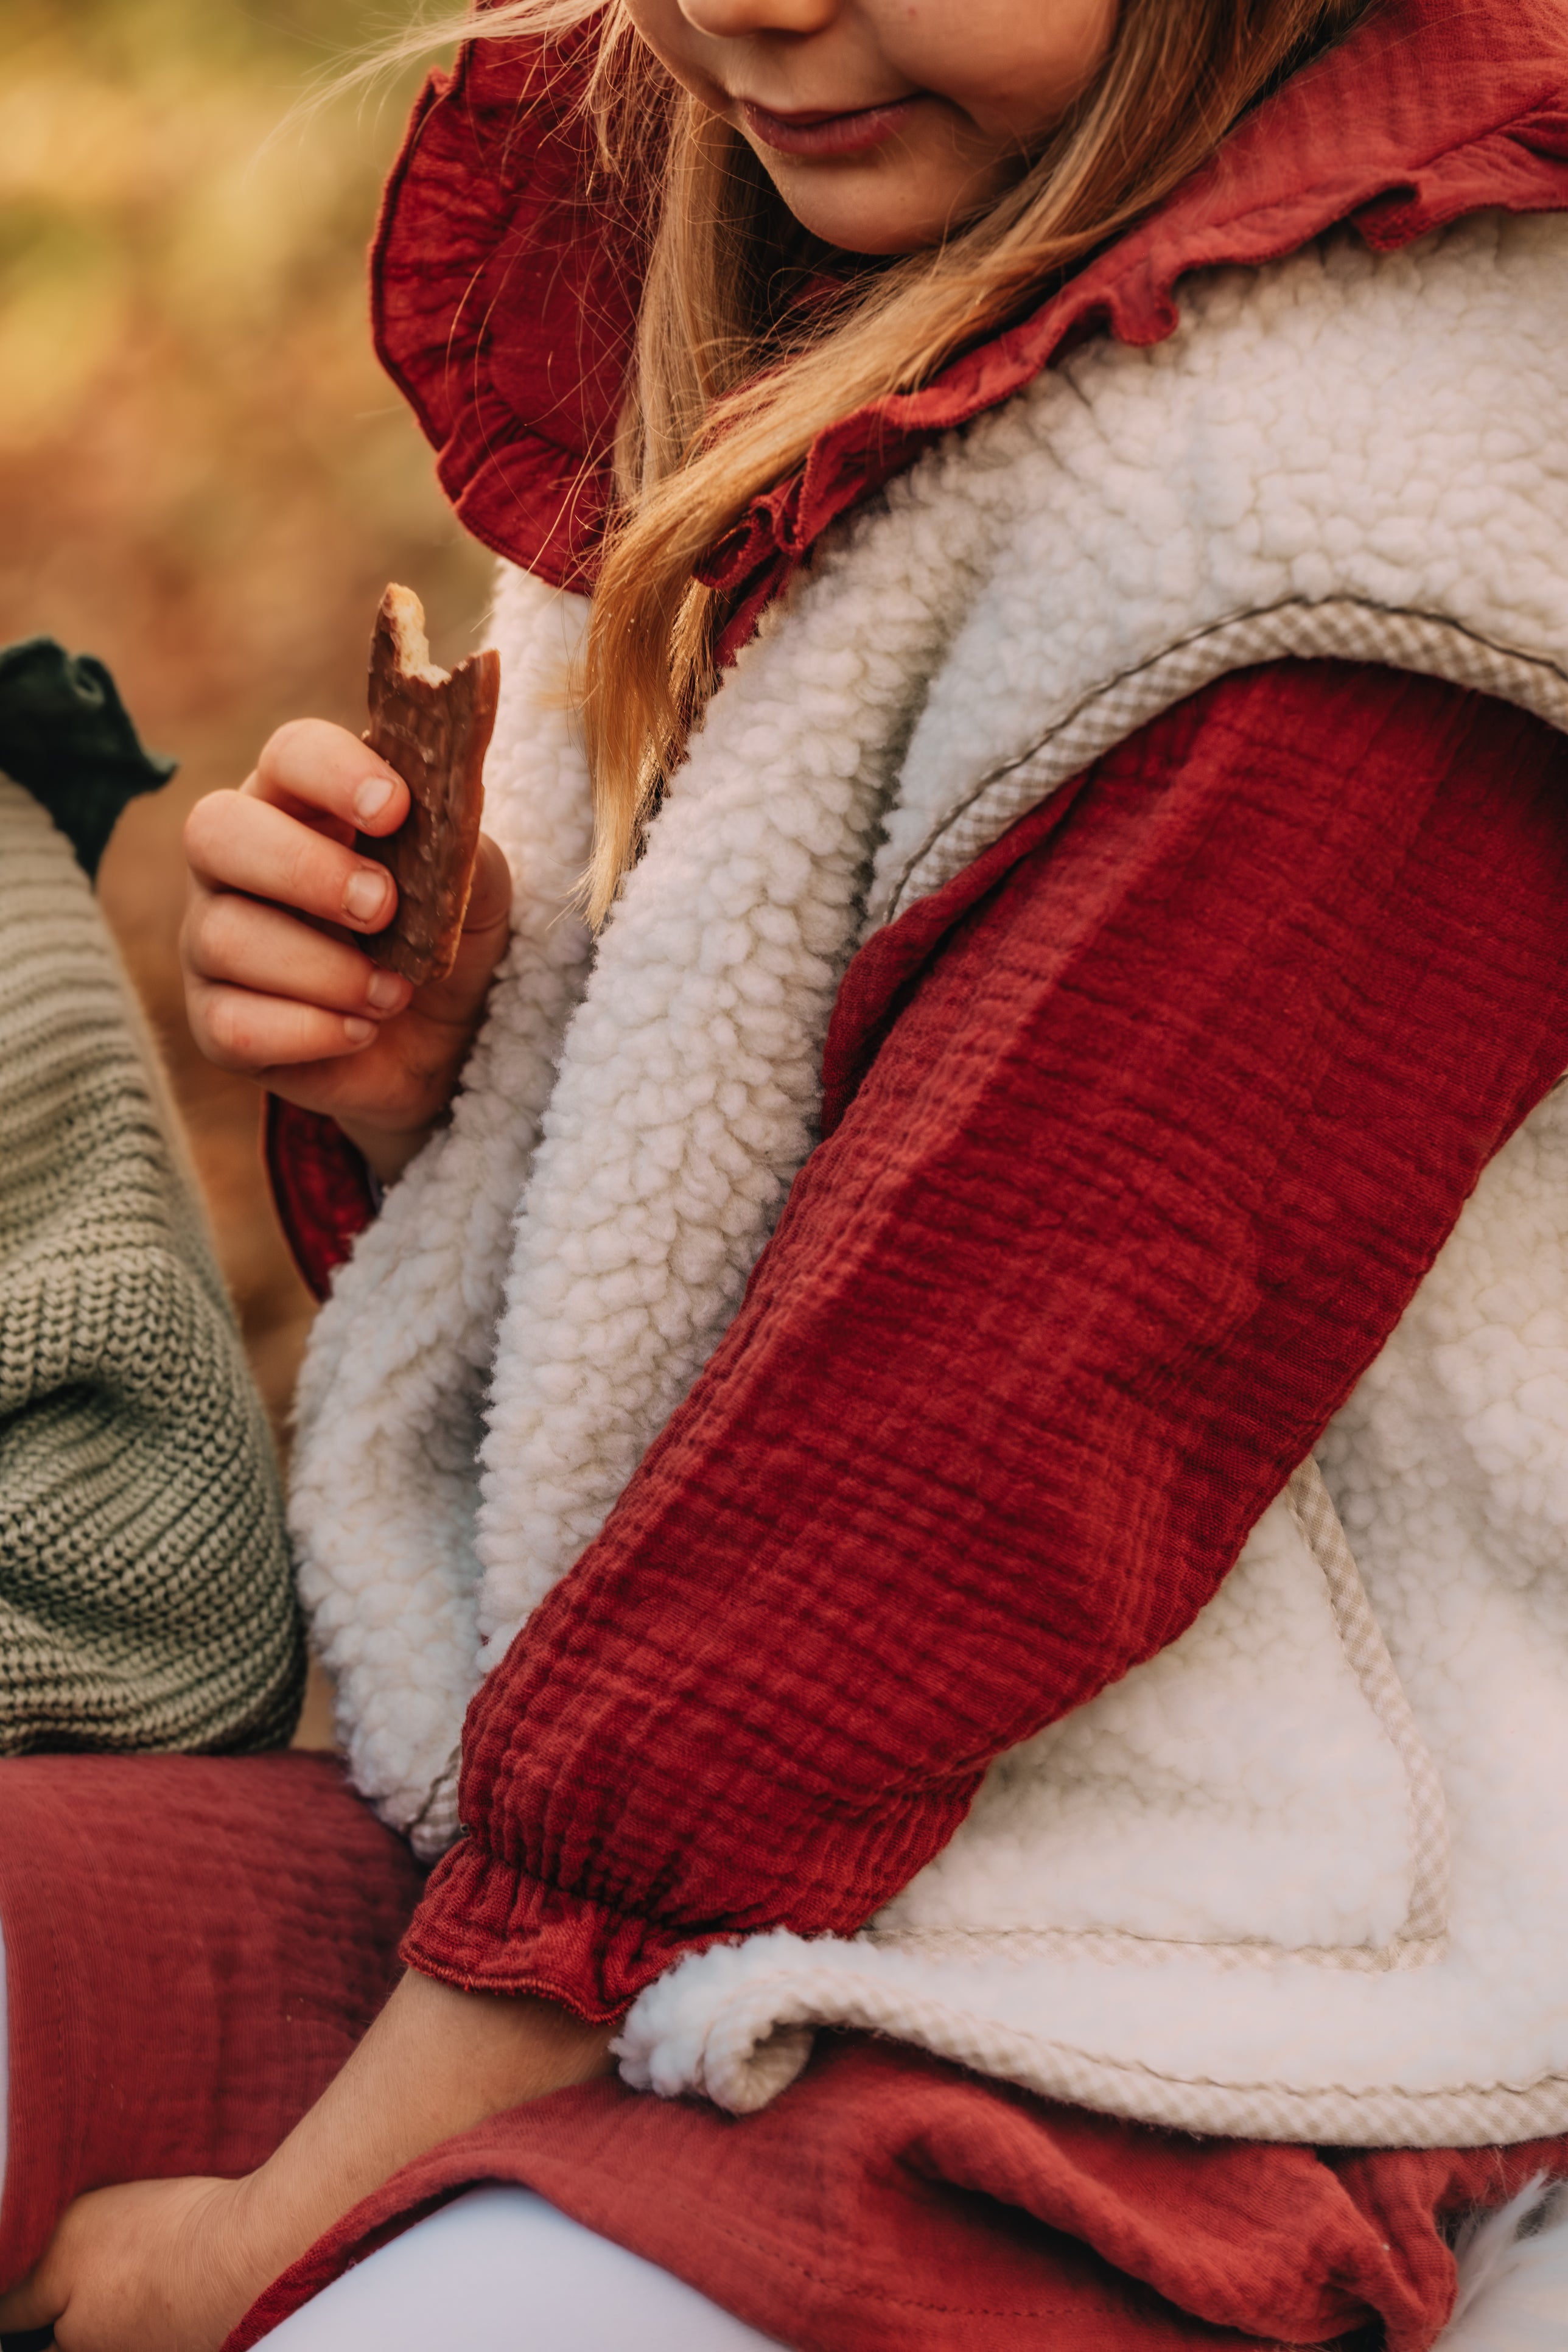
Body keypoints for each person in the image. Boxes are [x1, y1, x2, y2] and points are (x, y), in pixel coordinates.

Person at [0, 0, 1566, 2343]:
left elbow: (908, 1518)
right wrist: (449, 1068)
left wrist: (266, 2244)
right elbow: (718, 1206)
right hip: (593, 1871)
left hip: (1214, 1975)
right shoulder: (823, 269)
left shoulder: (1365, 527)